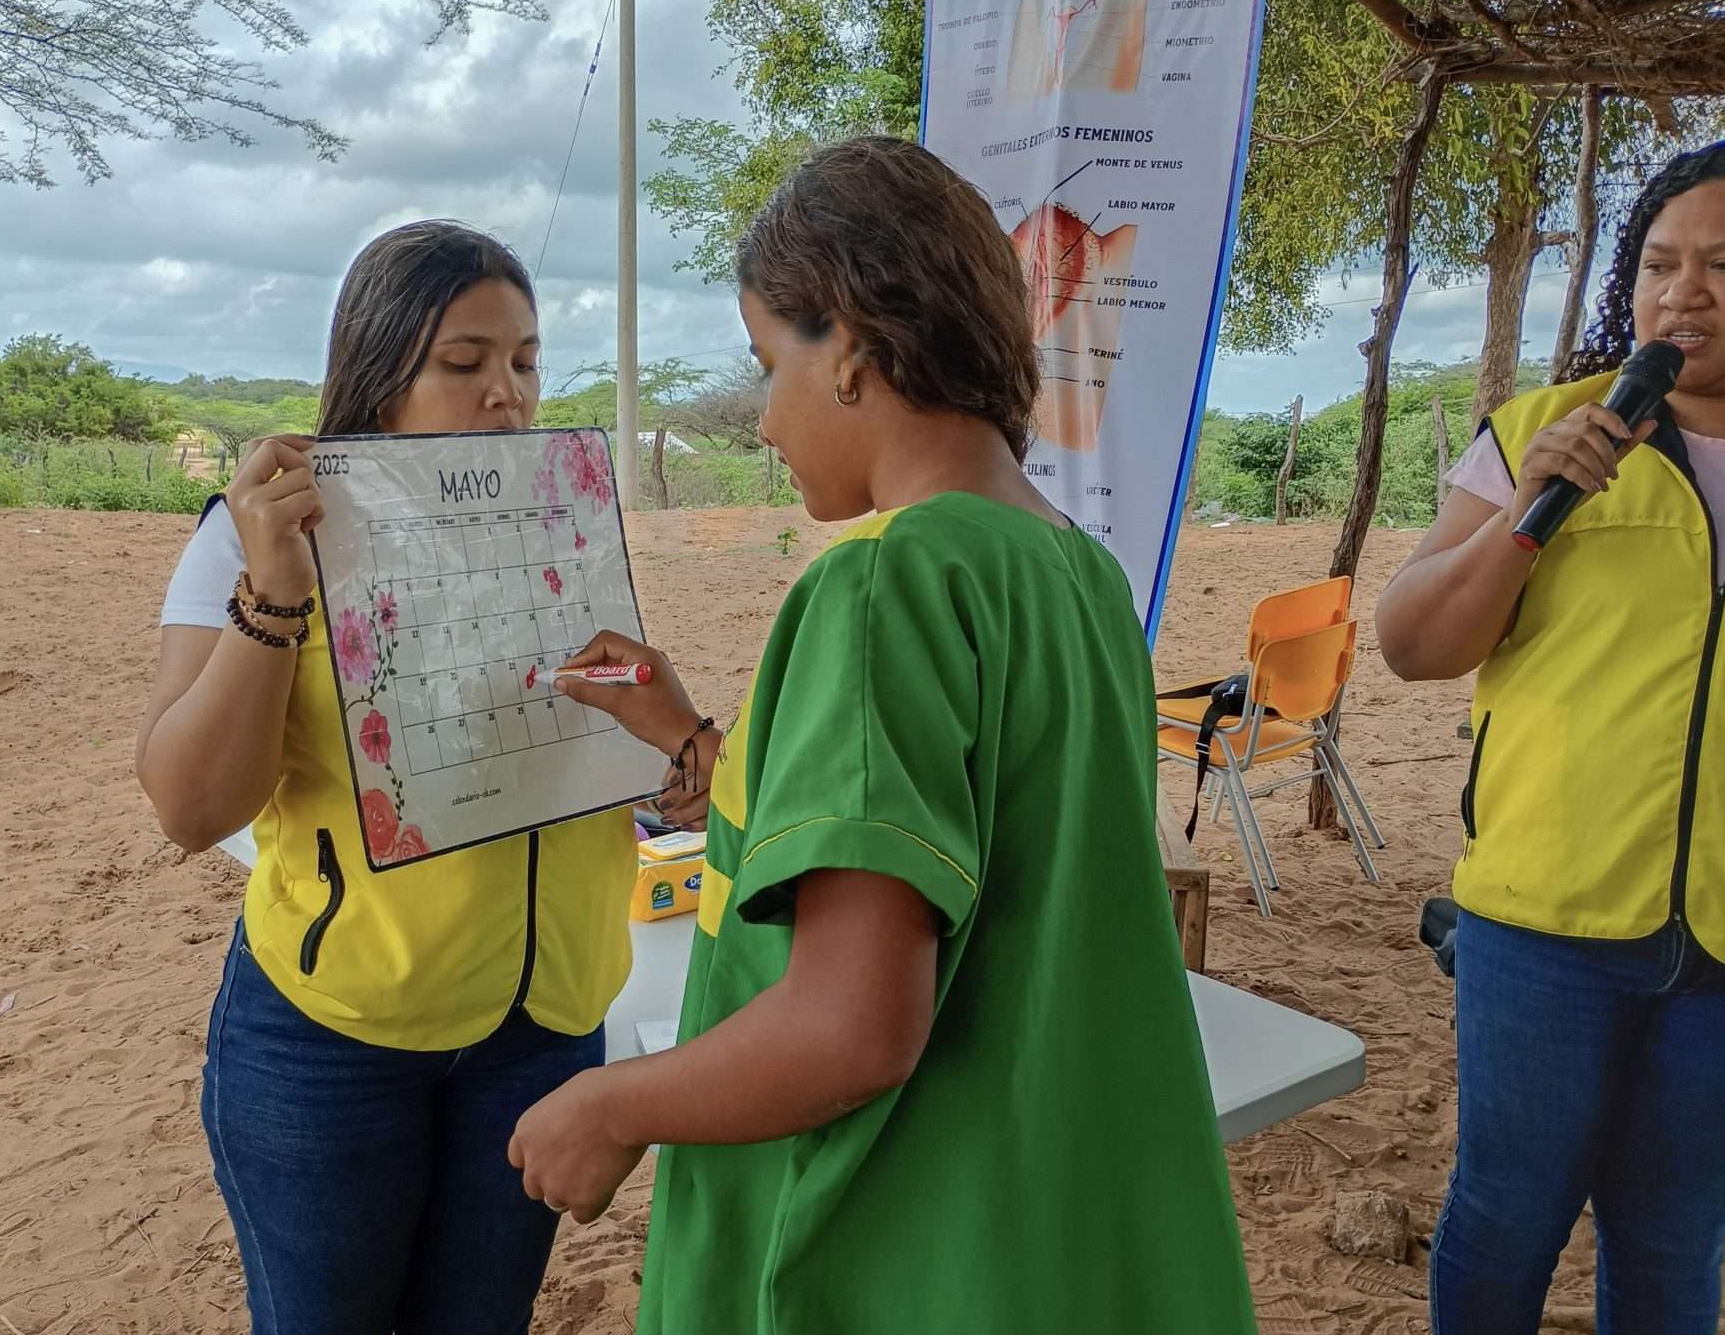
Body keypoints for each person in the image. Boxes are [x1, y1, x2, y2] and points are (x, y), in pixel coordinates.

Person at [505, 136, 1258, 1334]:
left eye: (768, 363)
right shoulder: (1076, 573)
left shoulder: (880, 587)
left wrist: (611, 1104)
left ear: (849, 347)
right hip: (1051, 1229)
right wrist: (692, 737)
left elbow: (850, 1026)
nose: (764, 422)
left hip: (895, 1241)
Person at [136, 221, 641, 1335]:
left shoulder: (560, 520)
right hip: (333, 1038)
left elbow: (596, 734)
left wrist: (663, 752)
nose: (504, 393)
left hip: (546, 1025)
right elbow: (189, 804)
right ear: (379, 370)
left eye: (524, 359)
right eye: (463, 364)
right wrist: (275, 592)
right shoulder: (255, 532)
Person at [1377, 138, 1725, 1334]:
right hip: (1543, 922)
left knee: (1669, 1236)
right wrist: (1527, 519)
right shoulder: (1543, 429)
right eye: (1658, 262)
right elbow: (1412, 641)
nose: (1680, 292)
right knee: (1505, 1211)